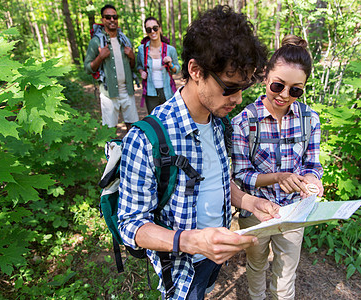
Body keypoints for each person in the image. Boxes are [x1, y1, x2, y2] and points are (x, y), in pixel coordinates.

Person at [118, 5, 279, 300]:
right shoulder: (147, 138)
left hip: (213, 257)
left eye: (243, 87)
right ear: (195, 71)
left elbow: (213, 180)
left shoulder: (219, 122)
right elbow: (130, 225)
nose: (239, 98)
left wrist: (249, 201)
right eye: (230, 87)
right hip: (181, 267)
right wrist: (191, 241)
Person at [231, 35, 324, 300]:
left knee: (286, 275)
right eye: (278, 85)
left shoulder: (310, 119)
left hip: (294, 213)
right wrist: (277, 177)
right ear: (264, 77)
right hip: (256, 212)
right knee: (257, 264)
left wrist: (312, 181)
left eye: (295, 90)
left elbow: (312, 164)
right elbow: (242, 176)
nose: (284, 95)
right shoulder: (244, 120)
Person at [84, 4, 139, 132]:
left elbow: (132, 67)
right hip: (109, 94)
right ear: (102, 20)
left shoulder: (124, 40)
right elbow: (87, 68)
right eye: (108, 17)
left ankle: (130, 152)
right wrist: (100, 57)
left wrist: (132, 57)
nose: (112, 20)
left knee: (134, 129)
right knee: (109, 131)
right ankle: (112, 153)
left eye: (114, 17)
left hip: (127, 91)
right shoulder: (96, 42)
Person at [137, 17, 180, 114]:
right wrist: (141, 72)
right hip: (150, 93)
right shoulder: (141, 50)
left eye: (155, 28)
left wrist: (171, 64)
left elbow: (177, 69)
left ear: (160, 28)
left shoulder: (170, 49)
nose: (152, 31)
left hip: (167, 92)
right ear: (146, 32)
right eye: (149, 29)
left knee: (169, 120)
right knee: (154, 122)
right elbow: (139, 66)